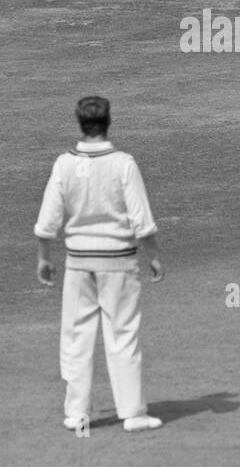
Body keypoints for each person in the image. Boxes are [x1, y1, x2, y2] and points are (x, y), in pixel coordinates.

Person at [34, 97, 164, 433]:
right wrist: (154, 256)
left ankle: (77, 413)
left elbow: (48, 220)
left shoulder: (64, 164)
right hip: (118, 261)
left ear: (80, 123)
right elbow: (142, 220)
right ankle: (133, 414)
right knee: (123, 335)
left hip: (78, 263)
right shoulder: (123, 163)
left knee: (76, 337)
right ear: (109, 122)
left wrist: (44, 258)